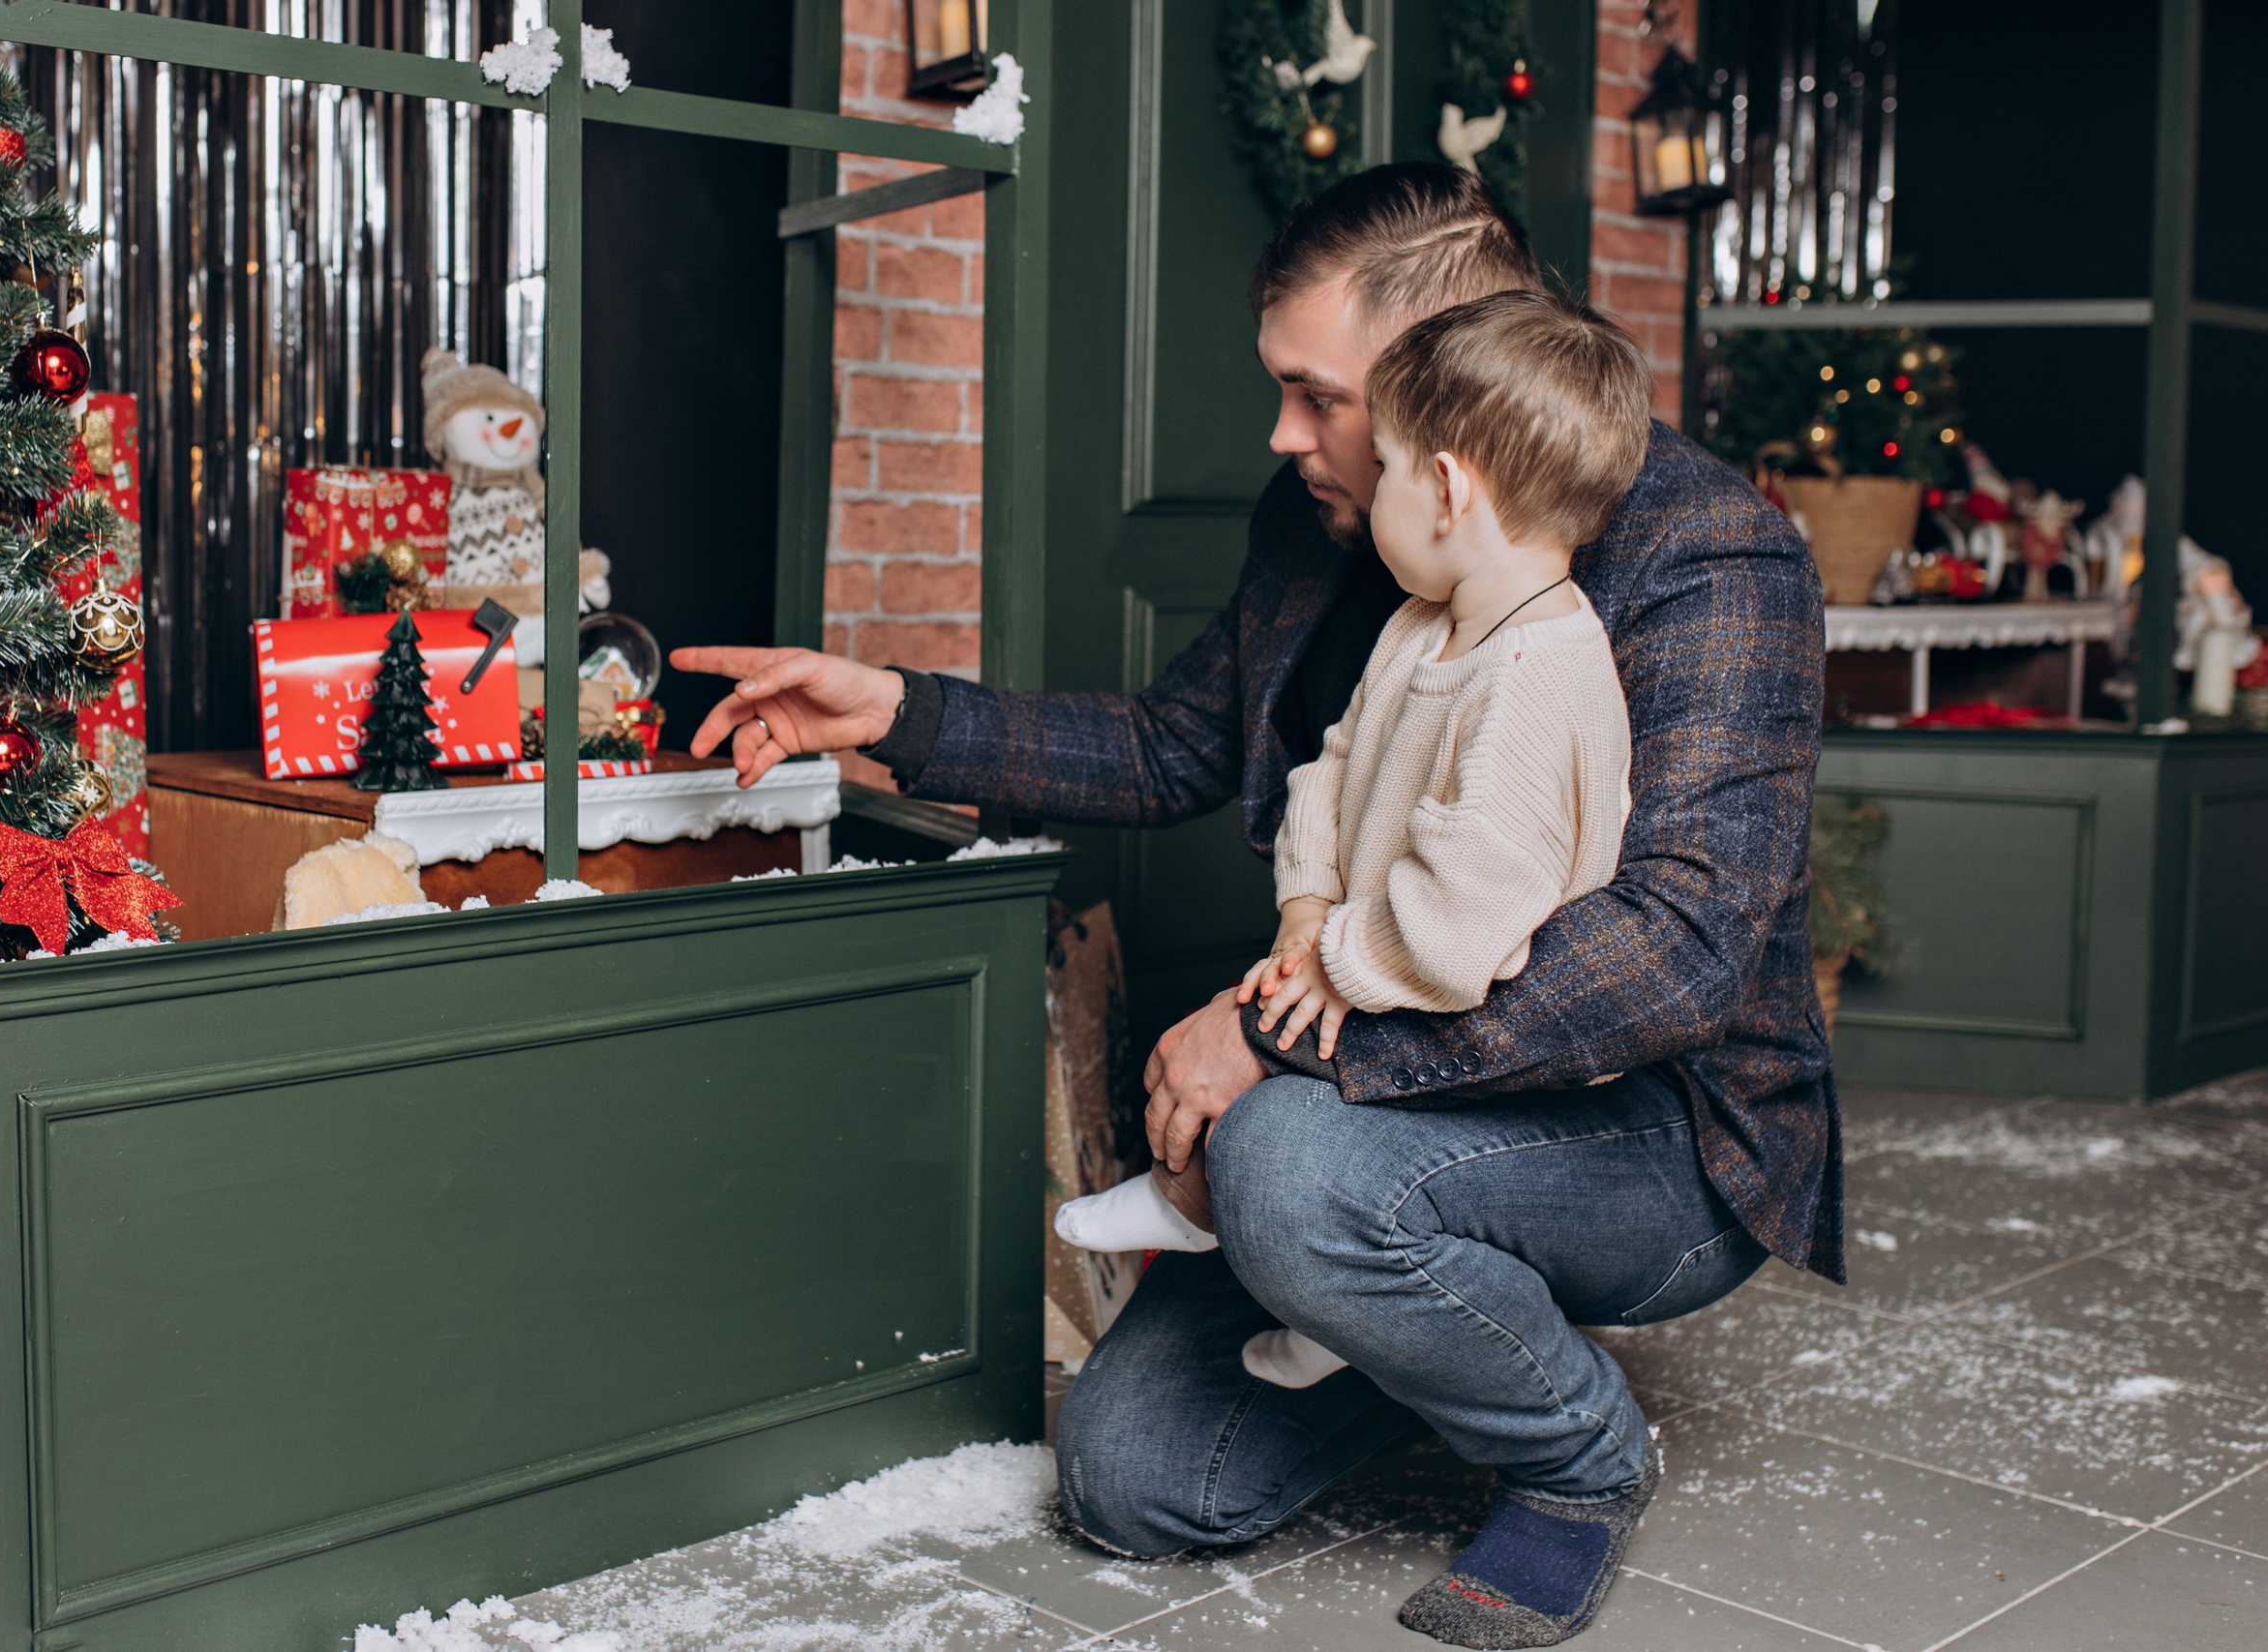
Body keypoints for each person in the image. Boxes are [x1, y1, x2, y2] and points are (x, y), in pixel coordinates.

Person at [674, 163, 1838, 1650]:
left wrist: (1285, 1041)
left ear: (1449, 381)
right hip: (1389, 1078)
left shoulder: (1702, 551)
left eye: (1318, 393)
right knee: (1132, 1475)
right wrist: (892, 710)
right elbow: (1177, 744)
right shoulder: (1334, 522)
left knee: (1284, 1160)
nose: (1285, 434)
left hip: (1653, 1133)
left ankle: (1575, 1448)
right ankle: (1419, 1298)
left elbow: (1673, 956)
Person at [1051, 289, 1651, 1409]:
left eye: (1382, 463)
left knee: (1276, 1113)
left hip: (1472, 1028)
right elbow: (1330, 768)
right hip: (1372, 963)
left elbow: (1463, 913)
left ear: (1447, 489)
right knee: (1275, 1060)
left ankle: (1244, 1242)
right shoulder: (1423, 625)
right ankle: (1328, 1305)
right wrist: (1301, 914)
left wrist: (1333, 966)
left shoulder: (1536, 682)